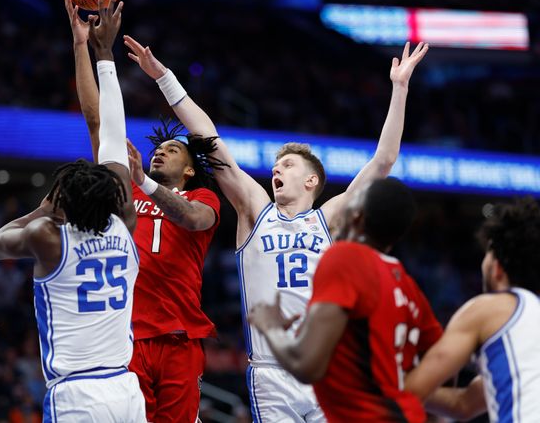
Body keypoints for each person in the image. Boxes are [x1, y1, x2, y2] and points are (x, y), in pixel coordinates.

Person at [124, 35, 429, 421]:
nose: (275, 170)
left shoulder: (330, 218)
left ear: (311, 181)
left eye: (286, 165)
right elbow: (208, 138)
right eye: (275, 166)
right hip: (271, 372)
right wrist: (163, 77)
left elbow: (383, 161)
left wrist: (399, 88)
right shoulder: (255, 210)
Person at [66, 0, 225, 422]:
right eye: (158, 150)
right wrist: (83, 45)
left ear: (190, 170)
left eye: (172, 150)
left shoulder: (201, 199)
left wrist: (146, 182)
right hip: (126, 336)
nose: (160, 153)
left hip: (179, 338)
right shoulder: (124, 191)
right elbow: (96, 118)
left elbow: (192, 220)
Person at [0, 0, 146, 422]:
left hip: (77, 393)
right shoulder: (124, 222)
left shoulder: (46, 237)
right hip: (125, 387)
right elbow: (110, 128)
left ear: (60, 204)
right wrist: (103, 52)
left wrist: (41, 209)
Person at [247, 177, 443, 422]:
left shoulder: (345, 258)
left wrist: (270, 326)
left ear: (357, 216)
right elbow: (444, 366)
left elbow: (307, 365)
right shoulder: (407, 284)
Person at [405, 197, 540, 422]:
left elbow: (414, 390)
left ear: (496, 267)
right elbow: (463, 405)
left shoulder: (489, 309)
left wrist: (372, 369)